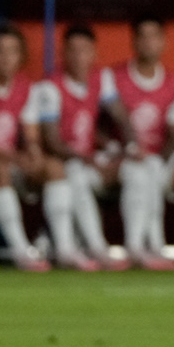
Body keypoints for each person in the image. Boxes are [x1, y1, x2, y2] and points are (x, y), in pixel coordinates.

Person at [99, 18, 174, 271]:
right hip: (120, 158)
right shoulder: (113, 77)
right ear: (133, 41)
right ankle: (136, 246)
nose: (148, 42)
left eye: (154, 36)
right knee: (138, 172)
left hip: (159, 159)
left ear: (164, 42)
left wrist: (158, 158)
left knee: (153, 168)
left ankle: (156, 246)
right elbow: (101, 122)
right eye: (142, 36)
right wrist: (127, 149)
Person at [34, 23, 132, 270]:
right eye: (73, 50)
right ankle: (96, 247)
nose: (79, 57)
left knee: (140, 169)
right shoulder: (49, 86)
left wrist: (127, 147)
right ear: (63, 54)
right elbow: (52, 141)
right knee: (76, 174)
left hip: (90, 160)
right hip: (63, 163)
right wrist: (87, 158)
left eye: (85, 50)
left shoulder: (102, 77)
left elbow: (120, 115)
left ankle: (145, 247)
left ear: (94, 53)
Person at [0, 25, 56, 272]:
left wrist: (34, 152)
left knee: (55, 169)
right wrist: (14, 157)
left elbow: (31, 133)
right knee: (0, 169)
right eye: (0, 51)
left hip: (12, 159)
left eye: (13, 51)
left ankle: (66, 246)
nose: (6, 58)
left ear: (21, 56)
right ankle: (19, 249)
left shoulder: (27, 87)